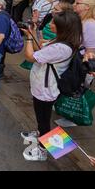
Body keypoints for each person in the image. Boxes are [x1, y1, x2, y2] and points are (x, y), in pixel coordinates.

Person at [20, 10, 83, 161]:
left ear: (64, 28)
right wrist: (33, 32)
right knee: (42, 116)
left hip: (46, 89)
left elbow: (30, 56)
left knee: (44, 119)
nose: (50, 24)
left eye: (54, 23)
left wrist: (28, 38)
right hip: (43, 85)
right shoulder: (61, 42)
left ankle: (43, 151)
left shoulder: (61, 48)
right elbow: (40, 49)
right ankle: (40, 132)